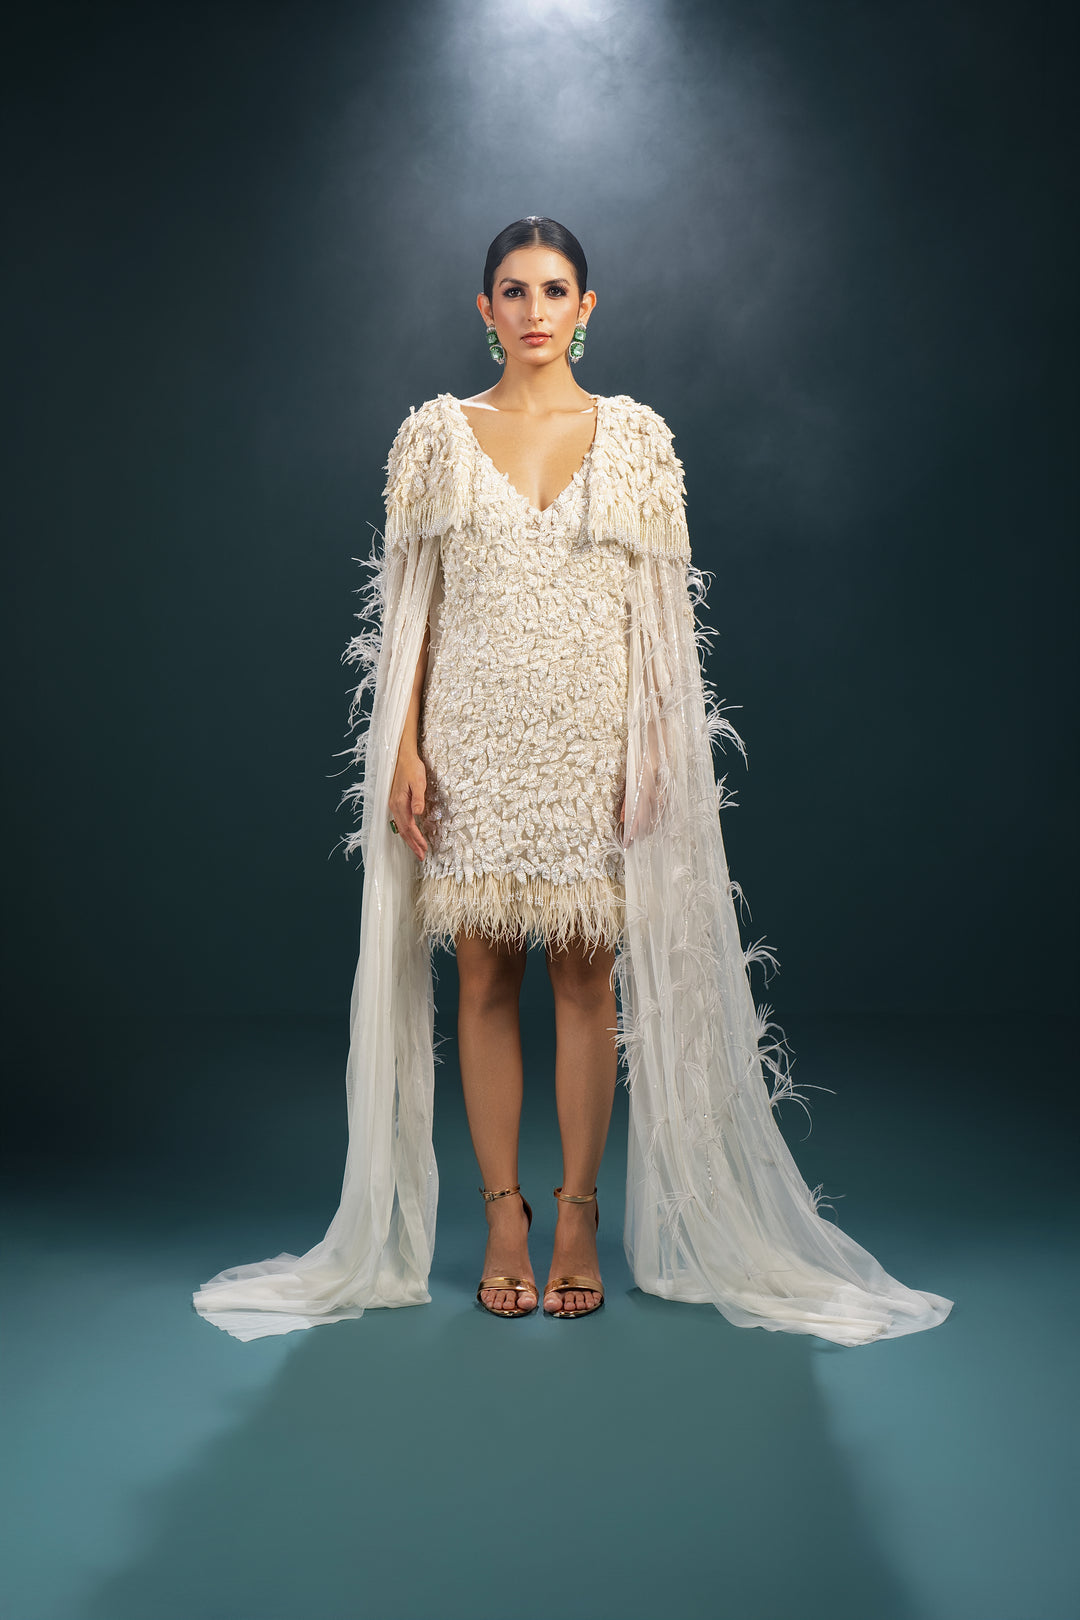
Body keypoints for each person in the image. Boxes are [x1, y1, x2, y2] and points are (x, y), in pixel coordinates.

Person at [193, 216, 954, 1345]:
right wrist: (399, 748)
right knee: (484, 978)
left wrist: (657, 748)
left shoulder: (636, 439)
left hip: (592, 746)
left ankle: (578, 1215)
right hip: (471, 743)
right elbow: (410, 614)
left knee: (588, 982)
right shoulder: (437, 437)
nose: (535, 309)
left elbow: (663, 621)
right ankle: (502, 1214)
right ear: (485, 309)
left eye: (555, 290)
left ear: (586, 308)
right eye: (514, 290)